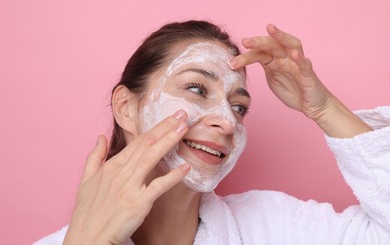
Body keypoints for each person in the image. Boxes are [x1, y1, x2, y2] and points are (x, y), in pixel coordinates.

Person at [35, 20, 390, 245]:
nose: (228, 121)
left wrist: (325, 109)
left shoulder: (275, 226)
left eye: (239, 107)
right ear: (127, 107)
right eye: (196, 89)